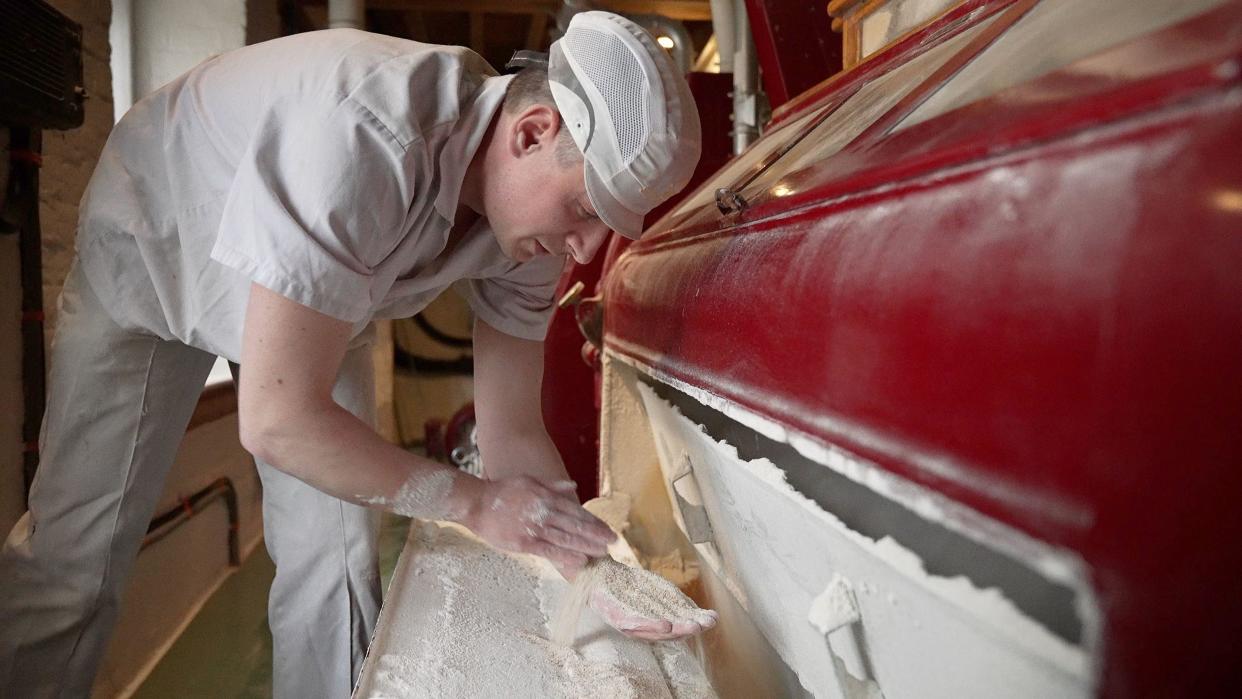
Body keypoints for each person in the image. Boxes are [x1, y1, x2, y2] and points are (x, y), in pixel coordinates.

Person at [0, 11, 708, 698]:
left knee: (334, 560)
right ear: (531, 132)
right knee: (77, 558)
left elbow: (514, 432)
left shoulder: (534, 228)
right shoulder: (366, 134)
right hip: (155, 245)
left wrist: (581, 558)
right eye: (586, 211)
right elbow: (277, 420)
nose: (586, 249)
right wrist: (473, 502)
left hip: (316, 296)